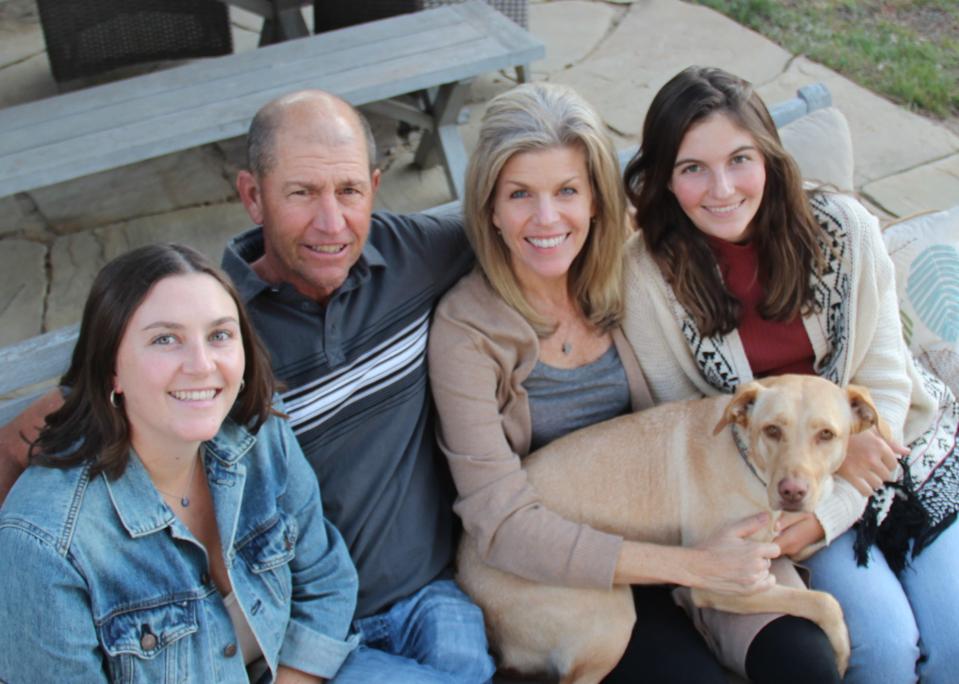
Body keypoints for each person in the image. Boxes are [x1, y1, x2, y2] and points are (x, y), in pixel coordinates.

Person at [0, 91, 494, 683]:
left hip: (393, 598)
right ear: (252, 197)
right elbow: (29, 454)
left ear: (374, 187)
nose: (331, 222)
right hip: (300, 630)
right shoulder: (220, 338)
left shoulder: (258, 427)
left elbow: (528, 234)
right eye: (302, 192)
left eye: (349, 191)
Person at [428, 81, 840, 683]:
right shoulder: (465, 332)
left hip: (688, 531)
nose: (547, 219)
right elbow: (502, 523)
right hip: (553, 569)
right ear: (489, 206)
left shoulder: (636, 271)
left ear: (597, 199)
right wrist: (692, 566)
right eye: (520, 195)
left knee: (804, 665)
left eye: (567, 191)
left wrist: (837, 438)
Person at [622, 65, 959, 683]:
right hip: (780, 493)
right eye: (692, 168)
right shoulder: (647, 278)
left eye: (740, 159)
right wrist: (824, 507)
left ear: (771, 159)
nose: (721, 188)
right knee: (882, 650)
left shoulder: (844, 229)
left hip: (897, 454)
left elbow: (887, 377)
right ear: (665, 181)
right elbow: (699, 429)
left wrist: (855, 451)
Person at [0, 244, 358, 682]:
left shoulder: (258, 434)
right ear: (111, 367)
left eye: (219, 335)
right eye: (164, 339)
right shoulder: (45, 544)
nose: (201, 365)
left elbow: (326, 582)